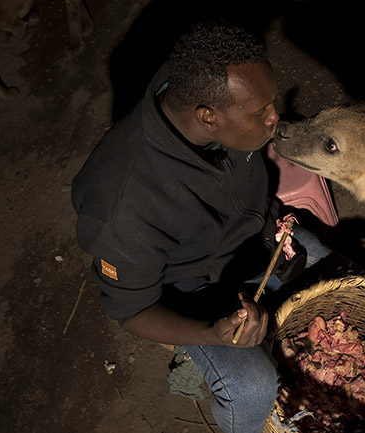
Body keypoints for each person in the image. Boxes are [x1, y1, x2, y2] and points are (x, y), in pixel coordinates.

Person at [71, 21, 332, 433]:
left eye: (270, 102)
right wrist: (212, 333)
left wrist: (271, 227)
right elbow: (132, 309)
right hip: (192, 287)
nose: (275, 118)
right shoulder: (122, 205)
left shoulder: (207, 98)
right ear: (207, 117)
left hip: (253, 240)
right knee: (250, 386)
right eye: (260, 112)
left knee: (335, 277)